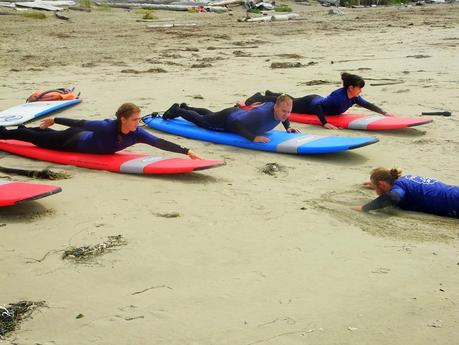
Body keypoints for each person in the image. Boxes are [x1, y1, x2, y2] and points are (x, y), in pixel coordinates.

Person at [0, 102, 201, 159]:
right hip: (72, 142)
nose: (138, 122)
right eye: (135, 119)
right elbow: (81, 122)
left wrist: (187, 152)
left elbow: (160, 143)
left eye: (139, 118)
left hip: (78, 138)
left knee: (41, 134)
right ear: (123, 119)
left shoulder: (137, 134)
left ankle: (23, 129)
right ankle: (5, 133)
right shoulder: (106, 126)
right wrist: (55, 118)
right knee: (33, 137)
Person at [244, 72, 395, 130]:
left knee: (291, 99)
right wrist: (324, 123)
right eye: (359, 88)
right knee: (288, 103)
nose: (360, 91)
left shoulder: (354, 97)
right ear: (350, 87)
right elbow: (317, 107)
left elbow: (368, 105)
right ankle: (260, 96)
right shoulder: (338, 96)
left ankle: (272, 93)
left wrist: (383, 112)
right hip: (310, 104)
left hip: (315, 99)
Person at [160, 95, 300, 143]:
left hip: (236, 113)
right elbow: (235, 123)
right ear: (276, 107)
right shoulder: (260, 116)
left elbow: (282, 117)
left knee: (210, 115)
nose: (286, 115)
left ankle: (187, 107)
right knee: (204, 122)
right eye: (283, 111)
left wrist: (288, 127)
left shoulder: (278, 110)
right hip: (229, 118)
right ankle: (177, 110)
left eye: (289, 112)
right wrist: (253, 138)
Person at [352, 167, 459, 218]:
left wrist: (364, 208)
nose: (375, 191)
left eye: (376, 187)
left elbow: (393, 197)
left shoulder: (398, 189)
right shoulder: (404, 179)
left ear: (382, 184)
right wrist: (375, 185)